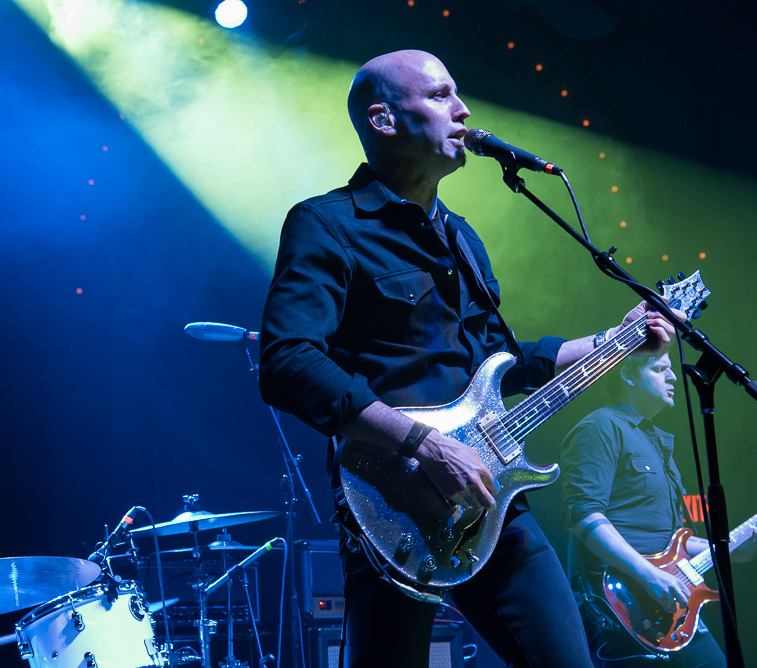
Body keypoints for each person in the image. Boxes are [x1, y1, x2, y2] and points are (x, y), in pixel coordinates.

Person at [258, 49, 675, 667]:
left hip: (494, 497)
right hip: (392, 503)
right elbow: (287, 361)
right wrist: (422, 445)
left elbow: (501, 361)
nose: (464, 111)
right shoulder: (328, 225)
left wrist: (617, 339)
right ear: (384, 120)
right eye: (440, 95)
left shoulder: (462, 239)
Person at [560, 352, 757, 667]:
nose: (674, 376)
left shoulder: (654, 440)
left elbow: (676, 539)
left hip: (673, 609)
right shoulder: (601, 427)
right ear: (627, 375)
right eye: (659, 368)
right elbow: (583, 516)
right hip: (624, 605)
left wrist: (744, 544)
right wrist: (649, 574)